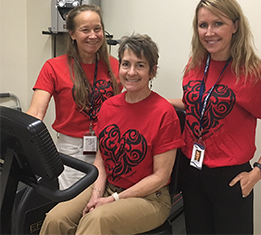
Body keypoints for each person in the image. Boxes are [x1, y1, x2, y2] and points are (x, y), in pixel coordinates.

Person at [169, 0, 261, 235]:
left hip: (230, 178)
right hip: (191, 172)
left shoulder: (255, 74)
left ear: (235, 26)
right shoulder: (195, 64)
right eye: (203, 25)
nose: (209, 32)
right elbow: (196, 104)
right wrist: (155, 102)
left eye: (218, 23)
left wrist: (258, 172)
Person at [39, 33, 185, 235]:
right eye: (126, 64)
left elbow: (160, 176)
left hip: (150, 198)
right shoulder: (109, 106)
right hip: (108, 186)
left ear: (153, 72)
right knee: (55, 219)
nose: (131, 72)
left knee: (95, 220)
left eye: (140, 65)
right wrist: (96, 194)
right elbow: (102, 159)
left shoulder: (164, 113)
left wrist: (112, 200)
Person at [26, 4, 122, 189]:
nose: (93, 35)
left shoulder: (114, 66)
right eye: (85, 30)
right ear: (72, 34)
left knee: (103, 203)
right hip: (73, 149)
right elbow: (36, 112)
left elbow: (132, 103)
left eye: (97, 29)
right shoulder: (53, 67)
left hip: (109, 145)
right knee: (72, 204)